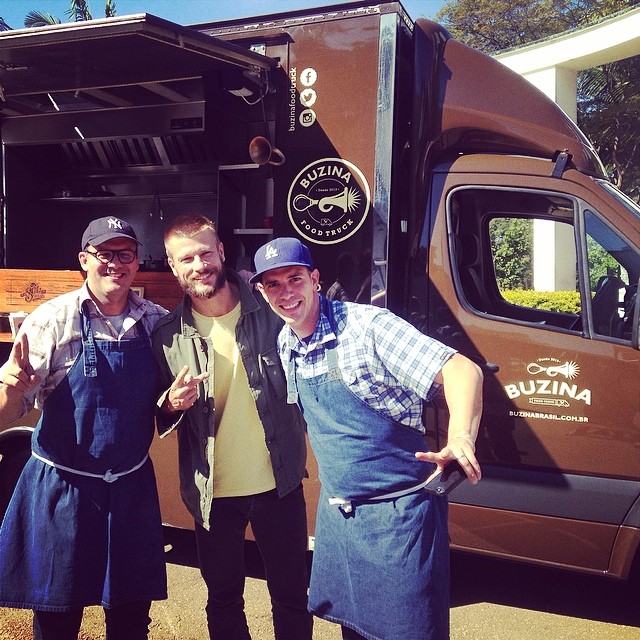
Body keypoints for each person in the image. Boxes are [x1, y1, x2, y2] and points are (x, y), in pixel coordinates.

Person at [251, 237, 484, 640]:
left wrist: (461, 435)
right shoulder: (286, 342)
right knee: (354, 631)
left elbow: (462, 370)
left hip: (399, 522)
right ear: (261, 290)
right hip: (341, 519)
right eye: (273, 284)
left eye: (295, 278)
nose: (286, 293)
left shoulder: (367, 328)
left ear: (315, 279)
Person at [0, 216, 168, 640]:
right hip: (63, 490)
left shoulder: (157, 322)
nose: (116, 263)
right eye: (104, 253)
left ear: (136, 262)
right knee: (58, 616)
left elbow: (167, 405)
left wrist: (174, 402)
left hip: (130, 489)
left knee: (131, 618)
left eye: (125, 254)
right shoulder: (51, 320)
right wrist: (12, 387)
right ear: (84, 260)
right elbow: (9, 410)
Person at [152, 214, 313, 640]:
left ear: (221, 251)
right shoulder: (166, 336)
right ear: (172, 266)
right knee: (223, 602)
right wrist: (171, 402)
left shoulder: (274, 312)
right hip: (212, 493)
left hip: (278, 485)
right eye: (186, 258)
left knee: (293, 597)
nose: (198, 264)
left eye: (205, 252)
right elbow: (159, 411)